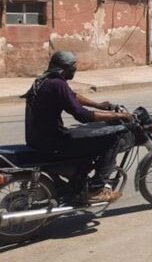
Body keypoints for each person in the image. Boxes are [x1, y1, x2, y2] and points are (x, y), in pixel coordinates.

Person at [23, 51, 132, 203]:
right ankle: (97, 189)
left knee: (85, 136)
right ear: (66, 68)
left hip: (37, 138)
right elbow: (83, 116)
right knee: (112, 139)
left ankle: (79, 181)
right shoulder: (57, 84)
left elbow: (72, 96)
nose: (75, 70)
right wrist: (120, 116)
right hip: (53, 142)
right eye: (74, 67)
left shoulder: (44, 80)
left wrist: (98, 105)